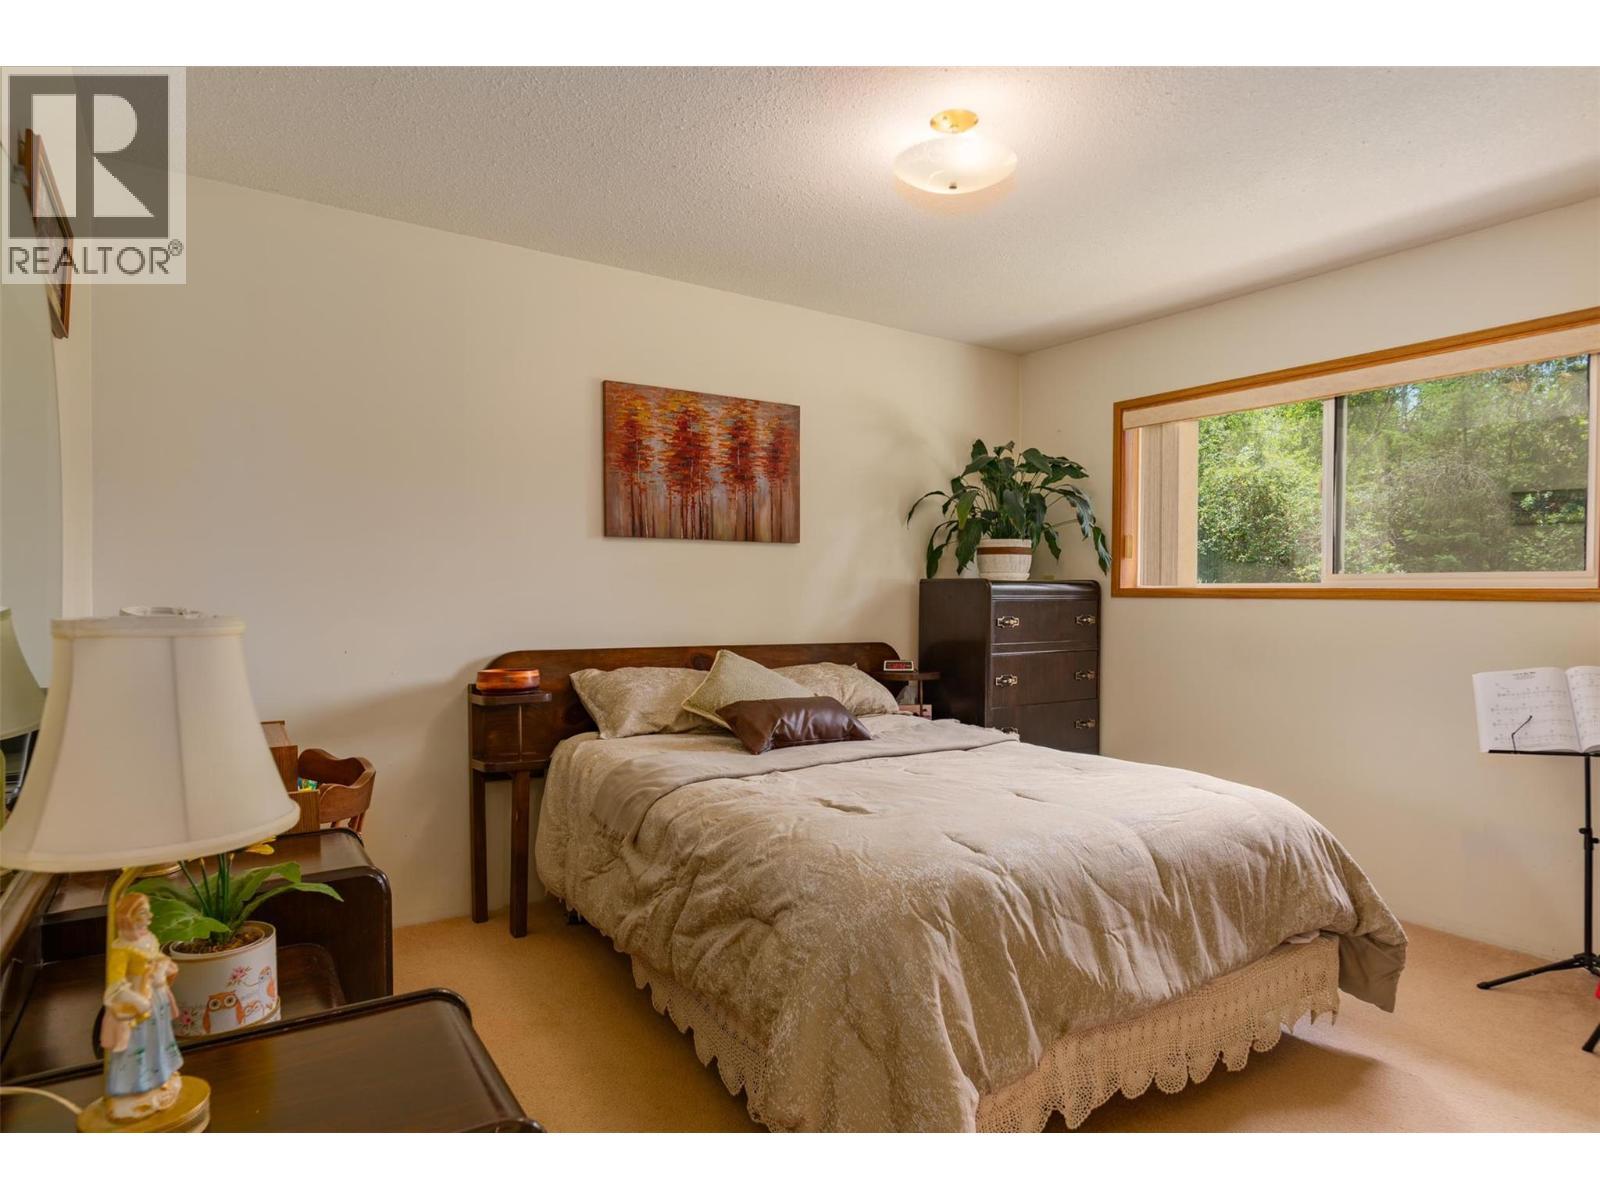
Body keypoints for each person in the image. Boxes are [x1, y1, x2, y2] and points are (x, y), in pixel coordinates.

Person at [100, 891, 185, 1121]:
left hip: (157, 999)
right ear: (129, 917)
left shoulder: (148, 939)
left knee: (158, 1040)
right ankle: (135, 1087)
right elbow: (115, 986)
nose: (149, 917)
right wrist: (138, 1000)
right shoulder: (122, 949)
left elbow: (157, 958)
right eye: (143, 913)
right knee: (138, 1046)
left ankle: (161, 1077)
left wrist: (165, 967)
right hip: (138, 1006)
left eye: (148, 912)